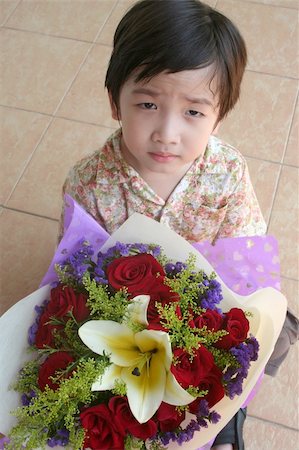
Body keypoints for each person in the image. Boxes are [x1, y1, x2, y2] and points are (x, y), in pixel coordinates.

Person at [59, 1, 298, 449]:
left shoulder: (227, 170)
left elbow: (245, 256)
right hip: (128, 316)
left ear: (219, 114)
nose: (167, 132)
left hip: (207, 300)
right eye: (147, 103)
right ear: (115, 101)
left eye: (193, 112)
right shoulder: (89, 181)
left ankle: (228, 416)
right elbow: (77, 267)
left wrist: (211, 319)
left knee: (274, 337)